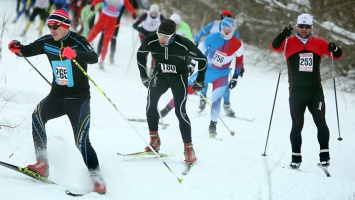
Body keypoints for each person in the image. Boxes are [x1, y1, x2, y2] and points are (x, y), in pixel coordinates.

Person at [8, 8, 107, 194]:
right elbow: (28, 49)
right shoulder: (47, 41)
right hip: (57, 96)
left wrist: (76, 54)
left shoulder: (78, 40)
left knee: (81, 141)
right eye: (49, 26)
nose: (52, 29)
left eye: (55, 26)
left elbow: (93, 57)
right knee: (37, 116)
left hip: (78, 99)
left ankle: (97, 178)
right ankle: (42, 163)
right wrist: (18, 48)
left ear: (65, 26)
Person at [270, 13, 343, 169]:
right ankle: (296, 158)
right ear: (297, 26)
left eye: (307, 27)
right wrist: (282, 35)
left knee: (320, 122)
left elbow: (337, 55)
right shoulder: (288, 42)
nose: (304, 29)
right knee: (297, 125)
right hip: (296, 92)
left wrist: (335, 48)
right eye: (301, 26)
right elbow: (274, 46)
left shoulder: (319, 42)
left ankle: (324, 156)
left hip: (315, 92)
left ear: (311, 27)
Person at [136, 19, 207, 164]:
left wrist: (200, 80)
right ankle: (154, 139)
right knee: (151, 104)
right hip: (160, 75)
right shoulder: (152, 40)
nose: (161, 39)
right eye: (159, 35)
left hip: (179, 77)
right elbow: (140, 54)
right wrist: (144, 76)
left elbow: (203, 60)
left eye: (165, 37)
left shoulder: (183, 43)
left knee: (180, 111)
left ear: (173, 35)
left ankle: (188, 148)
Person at [194, 17, 244, 138]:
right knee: (193, 85)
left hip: (222, 73)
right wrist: (192, 64)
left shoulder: (237, 42)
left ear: (233, 29)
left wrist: (235, 76)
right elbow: (199, 45)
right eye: (224, 27)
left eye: (229, 28)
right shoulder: (212, 34)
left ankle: (213, 126)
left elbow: (239, 60)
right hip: (208, 67)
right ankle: (201, 99)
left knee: (217, 99)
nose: (226, 30)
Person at [87, 0, 137, 69]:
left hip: (111, 23)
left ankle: (102, 61)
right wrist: (93, 4)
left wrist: (133, 13)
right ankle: (78, 49)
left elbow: (129, 6)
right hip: (102, 19)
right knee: (91, 36)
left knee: (106, 42)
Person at [133, 4, 165, 76]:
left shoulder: (160, 16)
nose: (154, 14)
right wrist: (139, 28)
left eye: (155, 13)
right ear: (150, 11)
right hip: (144, 35)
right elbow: (134, 25)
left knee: (154, 53)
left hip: (154, 36)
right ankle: (144, 68)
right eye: (153, 12)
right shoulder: (145, 15)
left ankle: (152, 69)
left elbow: (166, 25)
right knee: (145, 52)